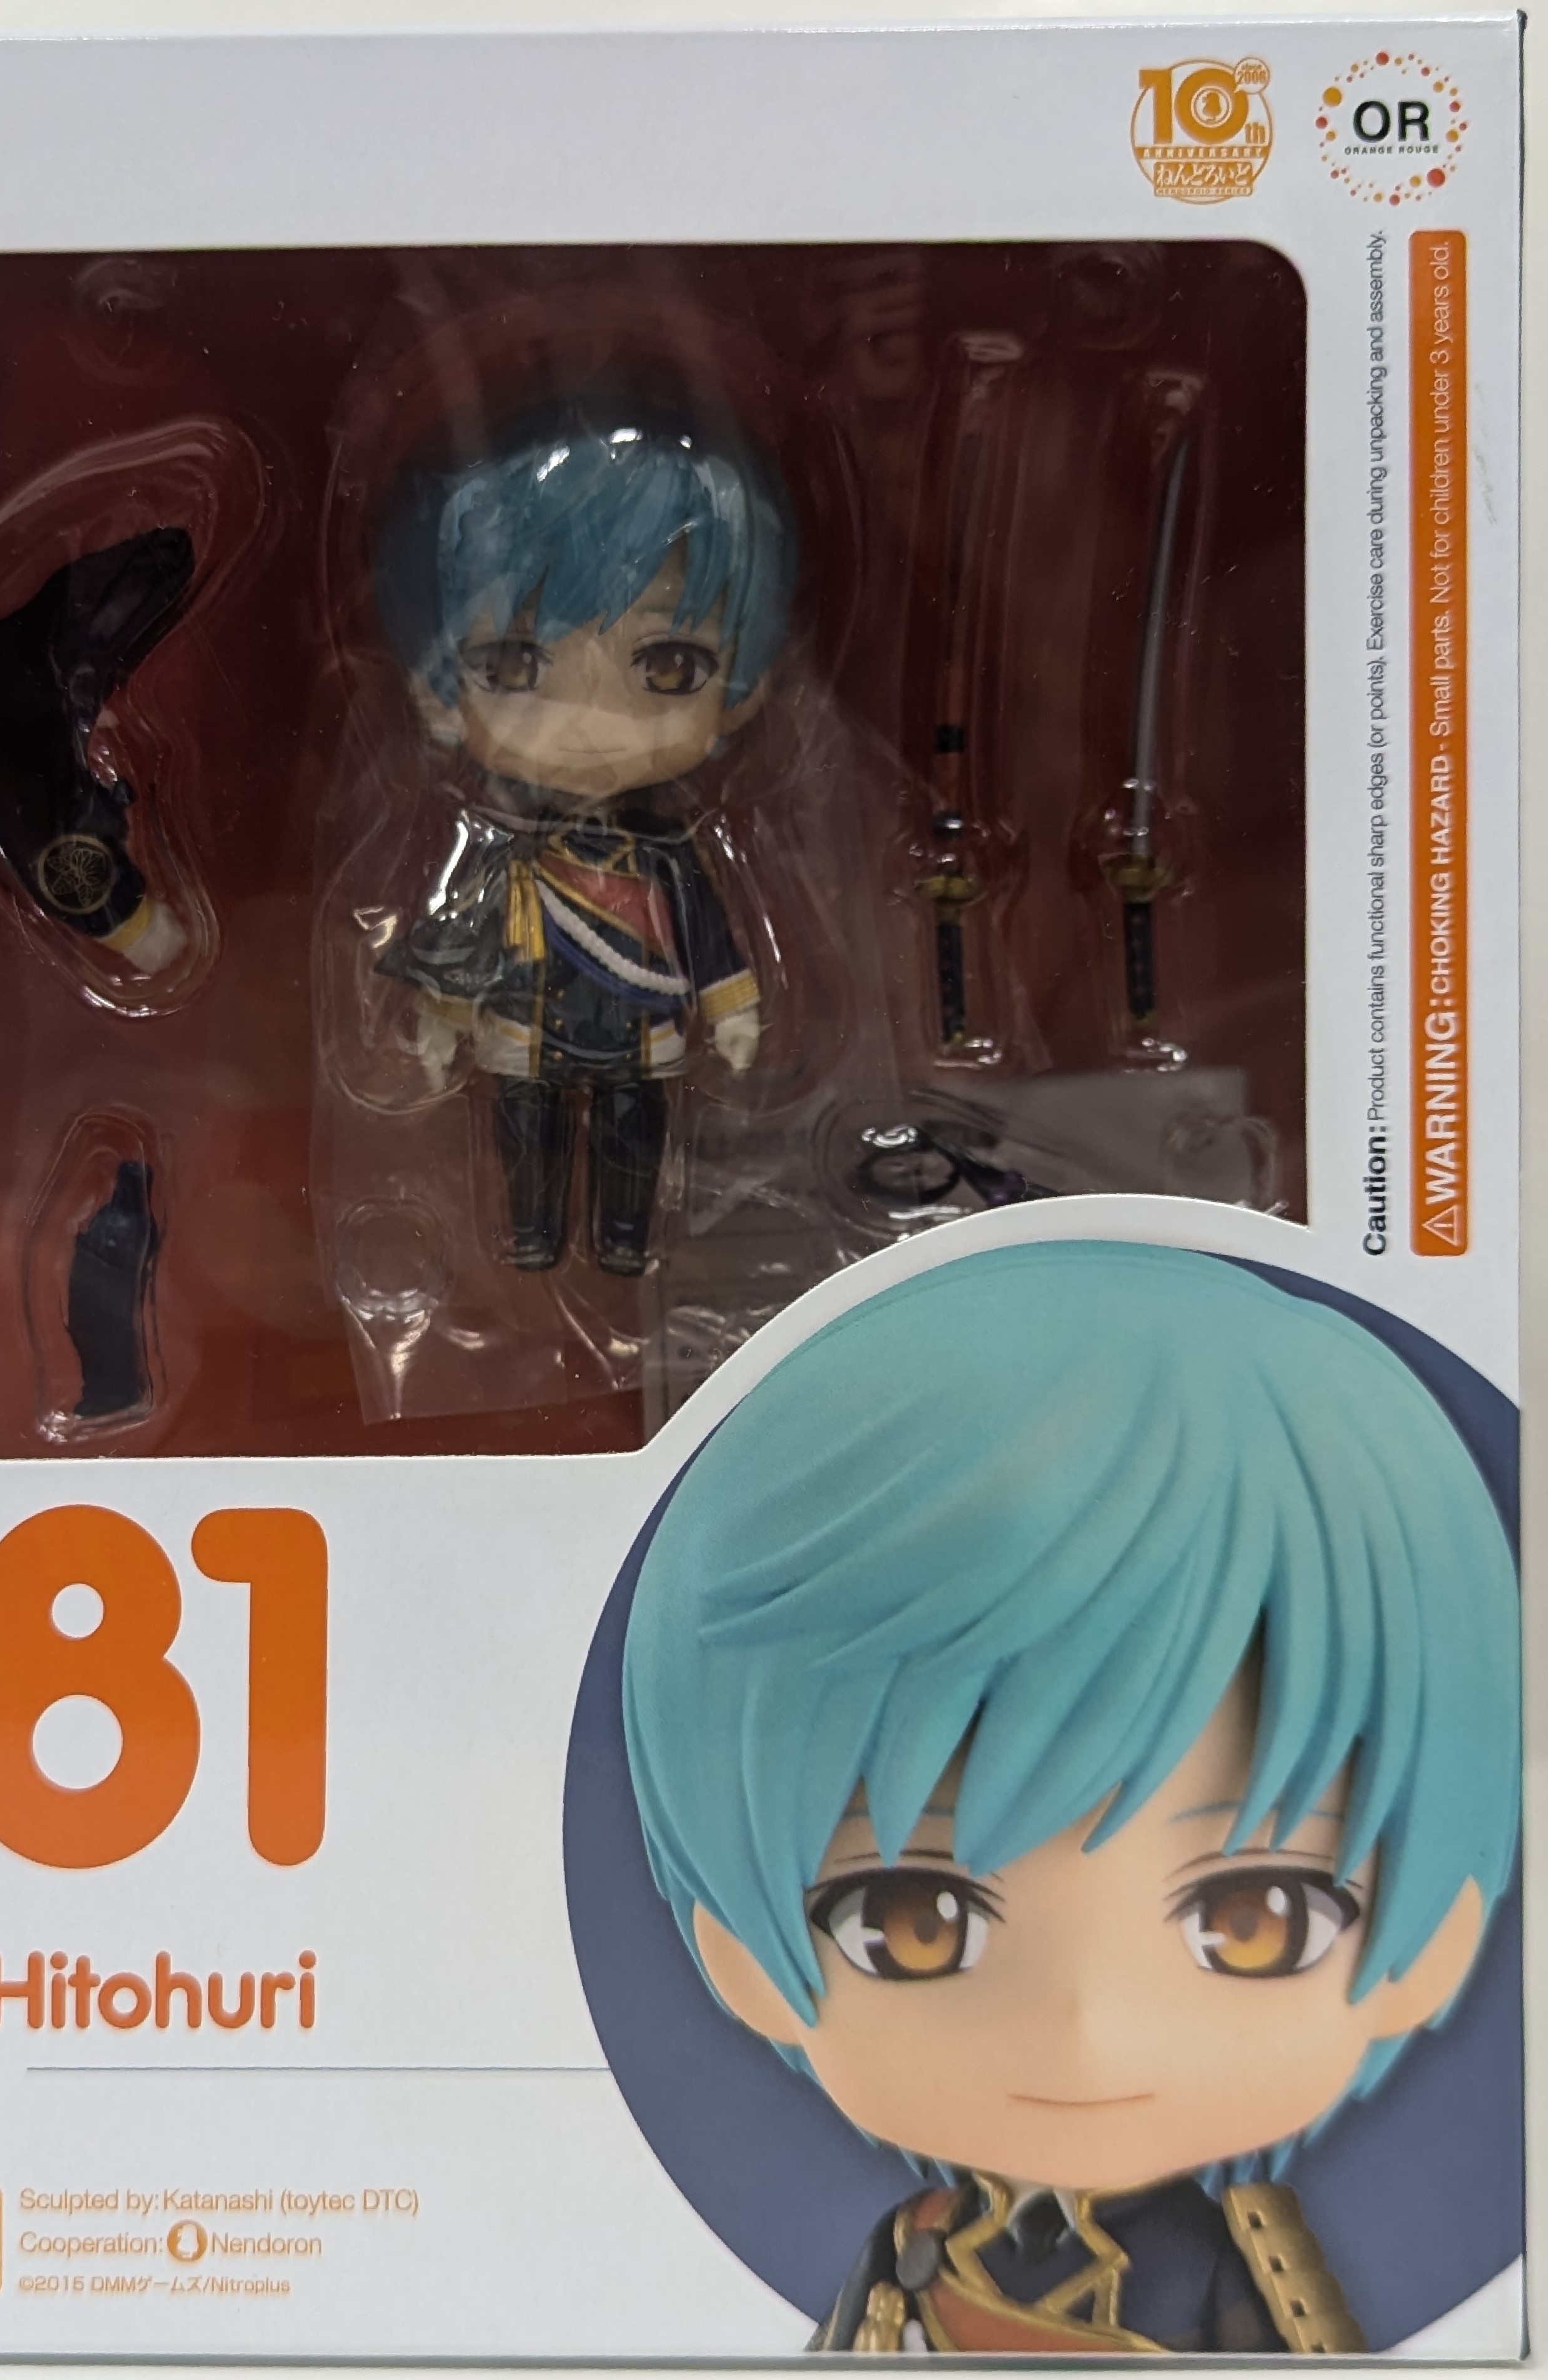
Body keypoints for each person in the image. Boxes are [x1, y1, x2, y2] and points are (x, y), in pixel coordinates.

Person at [621, 1241, 1518, 2352]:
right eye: (913, 1921)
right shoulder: (915, 2247)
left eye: (1256, 1920)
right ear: (743, 1959)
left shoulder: (1222, 2261)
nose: (1086, 2023)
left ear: (1432, 1945)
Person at [370, 399, 794, 1273]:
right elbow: (466, 935)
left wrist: (733, 1007)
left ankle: (626, 1235)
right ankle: (532, 1230)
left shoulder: (665, 852)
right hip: (526, 1028)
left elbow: (708, 934)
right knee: (528, 1129)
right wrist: (444, 1011)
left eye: (669, 666)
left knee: (634, 1130)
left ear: (742, 691)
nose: (592, 722)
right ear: (436, 693)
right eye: (513, 664)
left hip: (639, 1033)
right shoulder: (505, 854)